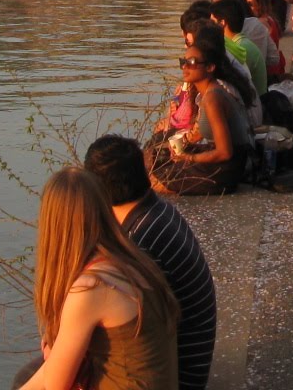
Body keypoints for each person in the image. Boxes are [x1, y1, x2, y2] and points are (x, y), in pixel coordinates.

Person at [13, 167, 180, 390]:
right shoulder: (131, 259)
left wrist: (51, 354)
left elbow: (54, 385)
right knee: (26, 378)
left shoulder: (92, 287)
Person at [85, 136, 216, 390]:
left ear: (97, 190)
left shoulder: (138, 241)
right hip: (189, 360)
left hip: (179, 375)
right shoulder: (157, 211)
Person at [147, 28, 254, 196]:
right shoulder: (206, 94)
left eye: (192, 62)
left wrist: (189, 158)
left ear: (210, 67)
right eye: (183, 61)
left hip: (224, 172)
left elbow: (225, 152)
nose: (185, 67)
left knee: (150, 181)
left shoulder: (213, 98)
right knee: (151, 157)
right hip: (223, 164)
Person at [209, 0, 266, 96]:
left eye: (212, 22)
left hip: (257, 106)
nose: (209, 26)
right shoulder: (242, 43)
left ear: (222, 23)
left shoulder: (239, 48)